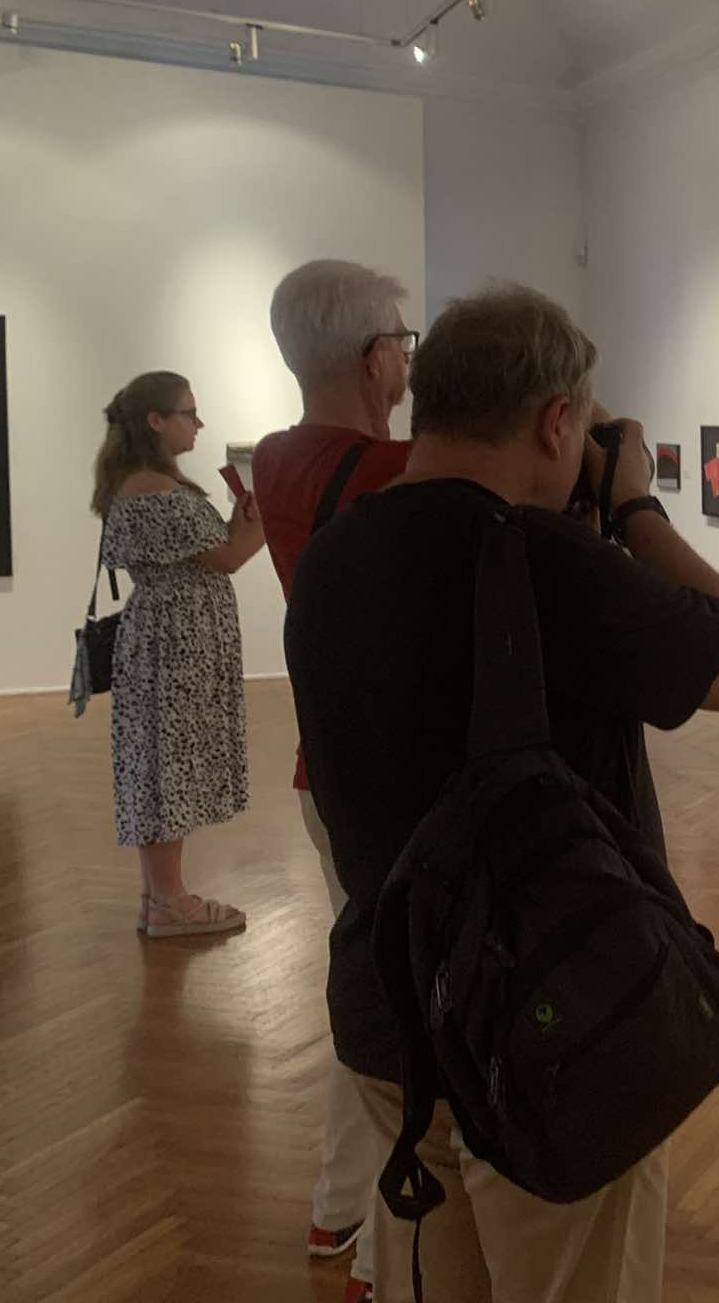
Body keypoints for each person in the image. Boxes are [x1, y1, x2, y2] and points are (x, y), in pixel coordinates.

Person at [285, 283, 719, 1301]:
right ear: (556, 422)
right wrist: (631, 503)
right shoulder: (544, 560)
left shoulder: (333, 555)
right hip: (546, 1023)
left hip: (391, 1013)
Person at [251, 260, 417, 1298]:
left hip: (328, 772)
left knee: (375, 984)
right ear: (374, 357)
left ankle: (337, 1206)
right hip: (397, 781)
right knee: (403, 1010)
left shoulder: (274, 457)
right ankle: (375, 1256)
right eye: (403, 340)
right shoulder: (394, 469)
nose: (409, 358)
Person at [91, 371, 264, 937]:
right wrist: (264, 522)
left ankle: (159, 896)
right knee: (168, 765)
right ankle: (169, 901)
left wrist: (238, 526)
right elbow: (227, 558)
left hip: (167, 638)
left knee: (162, 761)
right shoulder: (156, 490)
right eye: (189, 413)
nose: (199, 423)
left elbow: (212, 551)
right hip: (175, 645)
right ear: (156, 421)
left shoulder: (143, 482)